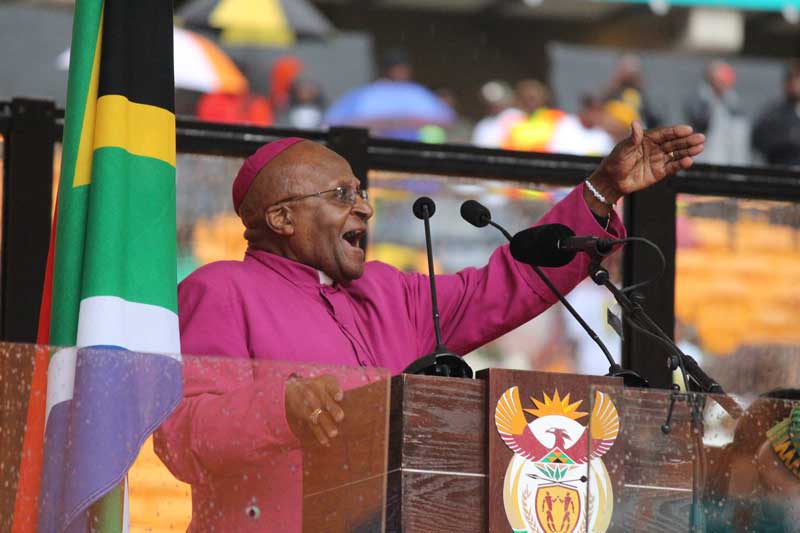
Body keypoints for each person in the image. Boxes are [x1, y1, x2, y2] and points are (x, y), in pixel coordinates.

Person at [154, 123, 705, 531]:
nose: (364, 208)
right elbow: (179, 437)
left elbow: (505, 285)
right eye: (341, 195)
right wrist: (281, 408)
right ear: (281, 217)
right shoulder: (221, 289)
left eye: (361, 192)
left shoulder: (389, 291)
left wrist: (602, 191)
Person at [685, 61, 750, 166]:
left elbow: (739, 141)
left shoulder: (733, 104)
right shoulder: (699, 101)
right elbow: (699, 122)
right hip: (702, 162)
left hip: (727, 163)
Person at [752, 60, 800, 167]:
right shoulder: (773, 113)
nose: (794, 84)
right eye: (791, 79)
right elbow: (759, 140)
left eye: (797, 79)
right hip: (782, 171)